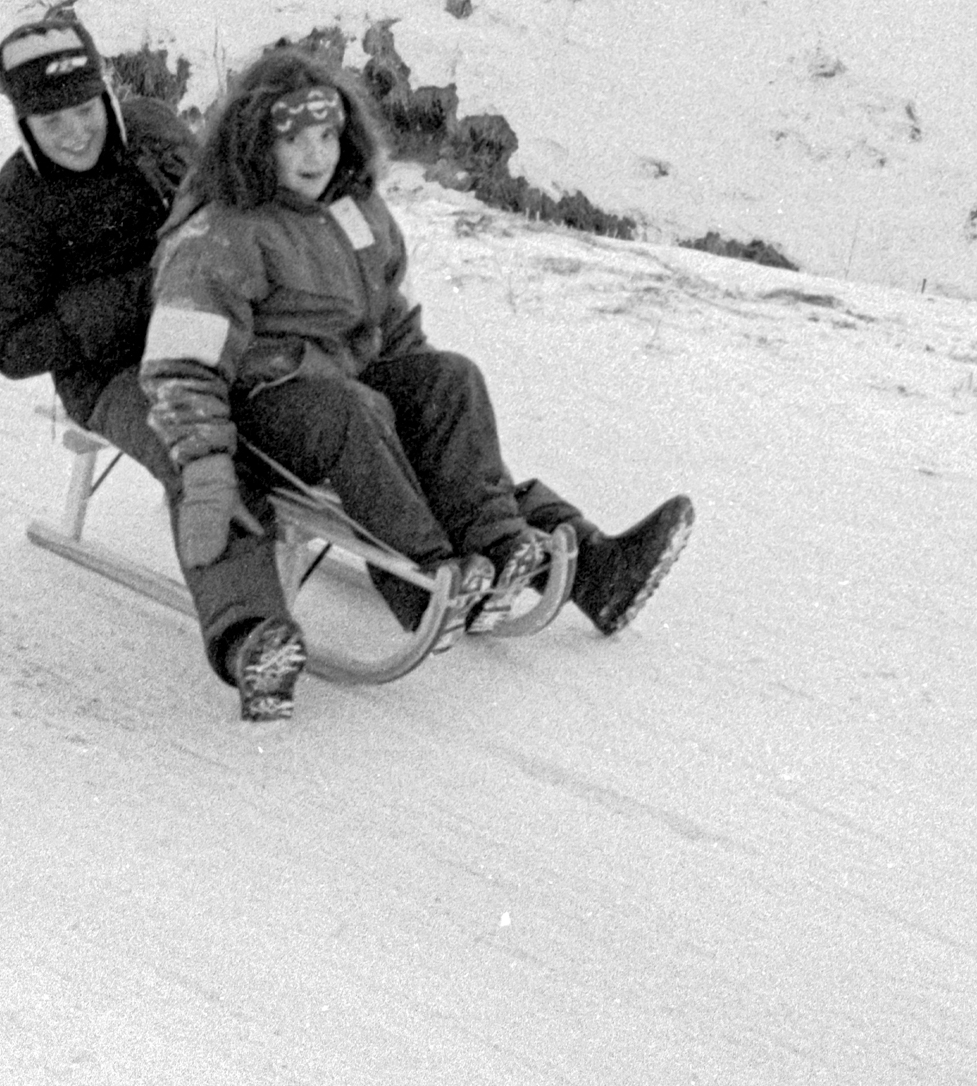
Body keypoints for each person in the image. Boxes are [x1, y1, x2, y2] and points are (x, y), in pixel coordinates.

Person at [140, 46, 694, 721]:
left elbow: (389, 318)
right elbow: (182, 366)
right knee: (356, 409)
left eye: (325, 135)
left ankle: (501, 543)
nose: (314, 155)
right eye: (292, 141)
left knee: (450, 378)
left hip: (350, 386)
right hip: (265, 404)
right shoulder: (221, 234)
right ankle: (425, 577)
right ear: (258, 144)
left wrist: (432, 409)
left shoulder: (354, 211)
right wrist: (203, 467)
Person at [0, 15, 296, 703]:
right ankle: (251, 636)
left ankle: (474, 551)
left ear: (105, 95)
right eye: (52, 120)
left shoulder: (151, 129)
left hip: (212, 330)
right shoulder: (16, 206)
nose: (75, 132)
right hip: (113, 374)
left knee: (328, 401)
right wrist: (131, 299)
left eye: (85, 109)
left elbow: (220, 201)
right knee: (201, 458)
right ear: (25, 123)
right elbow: (8, 343)